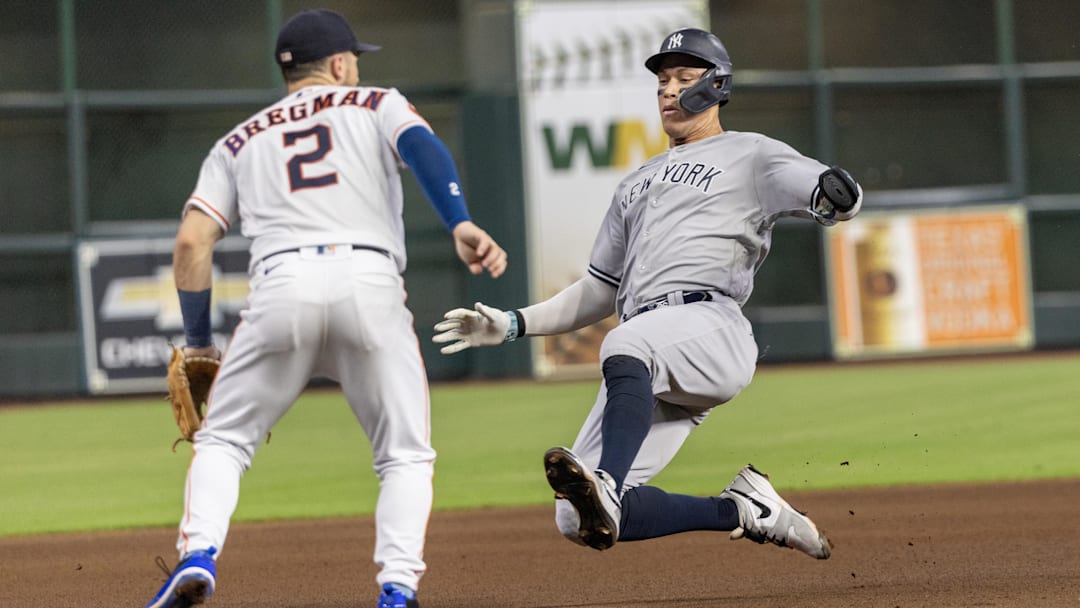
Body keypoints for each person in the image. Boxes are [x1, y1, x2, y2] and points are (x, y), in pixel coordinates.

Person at [432, 28, 860, 560]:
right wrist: (514, 323)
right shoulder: (634, 183)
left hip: (709, 327)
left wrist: (837, 195)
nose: (668, 90)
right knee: (575, 516)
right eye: (662, 80)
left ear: (716, 86)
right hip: (654, 352)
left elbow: (824, 188)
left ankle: (608, 482)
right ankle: (747, 510)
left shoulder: (751, 153)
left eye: (684, 78)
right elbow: (599, 289)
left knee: (624, 349)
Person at [145, 8, 507, 608]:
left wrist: (201, 340)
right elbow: (422, 148)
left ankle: (200, 556)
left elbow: (191, 243)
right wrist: (459, 220)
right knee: (404, 454)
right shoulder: (374, 101)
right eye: (354, 58)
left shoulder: (237, 140)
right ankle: (397, 589)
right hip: (368, 282)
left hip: (280, 285)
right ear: (340, 64)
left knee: (225, 442)